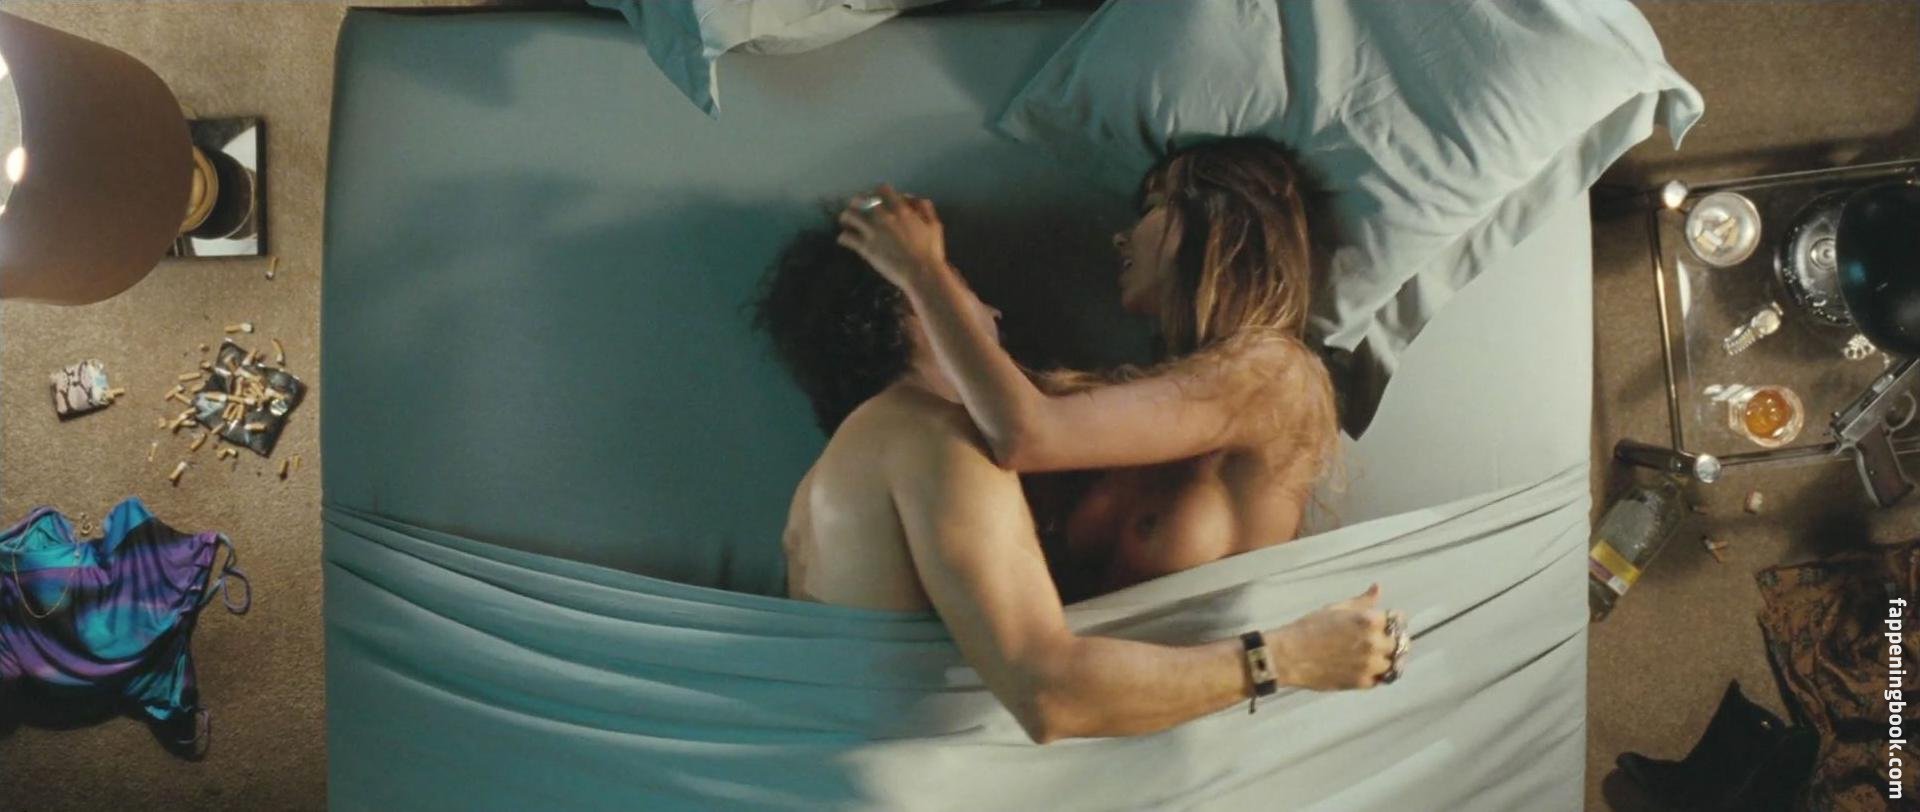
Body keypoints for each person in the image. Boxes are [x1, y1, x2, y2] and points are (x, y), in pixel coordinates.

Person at [752, 216, 1407, 745]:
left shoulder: (831, 477)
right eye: (964, 291)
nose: (993, 313)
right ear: (914, 307)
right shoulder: (931, 437)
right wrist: (1289, 657)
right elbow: (1048, 695)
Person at [835, 136, 1339, 599]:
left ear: (1221, 220)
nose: (1121, 238)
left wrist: (922, 270)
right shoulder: (1147, 404)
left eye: (1154, 206)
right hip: (1093, 663)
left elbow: (1028, 434)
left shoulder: (1276, 374)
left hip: (1207, 667)